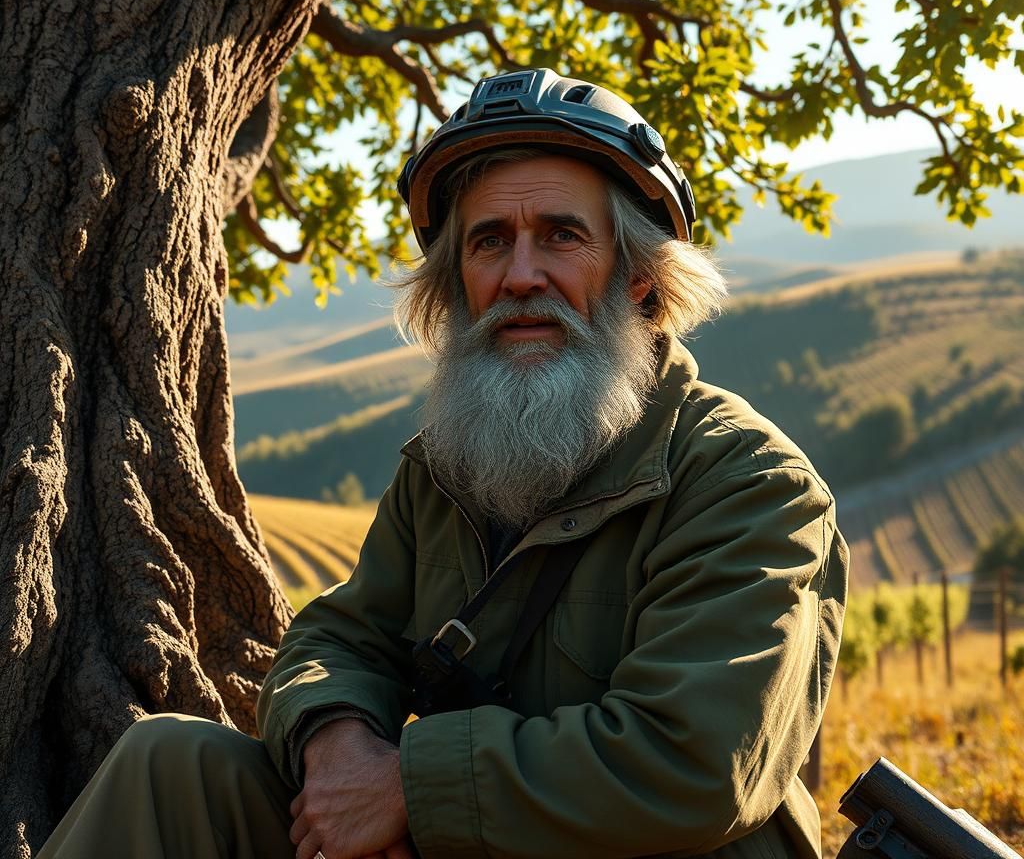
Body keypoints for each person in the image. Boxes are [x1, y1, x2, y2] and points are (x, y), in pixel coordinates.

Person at [40, 68, 848, 859]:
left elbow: (693, 760)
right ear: (457, 283)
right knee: (170, 764)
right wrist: (340, 753)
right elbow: (341, 638)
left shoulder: (748, 482)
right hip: (466, 836)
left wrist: (407, 793)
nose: (520, 275)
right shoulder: (448, 468)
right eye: (489, 242)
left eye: (562, 236)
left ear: (641, 278)